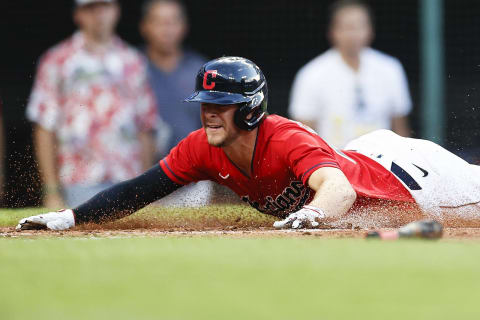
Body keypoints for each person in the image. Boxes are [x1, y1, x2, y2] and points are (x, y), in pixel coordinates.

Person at [16, 57, 480, 232]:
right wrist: (71, 217)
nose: (209, 111)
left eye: (222, 103)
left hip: (411, 178)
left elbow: (338, 191)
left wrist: (313, 215)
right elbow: (142, 188)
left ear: (252, 109)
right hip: (362, 157)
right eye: (205, 102)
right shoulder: (202, 146)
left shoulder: (286, 137)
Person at [26, 0, 157, 208]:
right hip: (77, 182)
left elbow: (146, 127)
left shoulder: (134, 61)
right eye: (90, 8)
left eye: (104, 6)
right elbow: (44, 128)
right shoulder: (56, 60)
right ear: (77, 14)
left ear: (116, 10)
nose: (99, 14)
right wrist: (51, 191)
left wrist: (147, 188)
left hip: (128, 180)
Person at [289, 0, 412, 148]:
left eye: (359, 26)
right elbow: (303, 136)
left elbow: (400, 128)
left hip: (381, 163)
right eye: (347, 27)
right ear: (332, 32)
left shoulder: (390, 69)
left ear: (370, 30)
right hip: (333, 164)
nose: (353, 34)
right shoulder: (311, 74)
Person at [140, 0, 219, 206]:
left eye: (173, 22)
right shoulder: (130, 67)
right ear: (145, 26)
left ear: (184, 27)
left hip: (192, 180)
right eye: (159, 22)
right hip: (141, 177)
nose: (166, 29)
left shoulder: (202, 71)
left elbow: (217, 127)